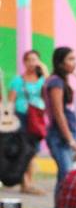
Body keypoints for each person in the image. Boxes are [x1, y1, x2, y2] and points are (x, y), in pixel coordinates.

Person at [43, 46, 76, 195]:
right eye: (70, 59)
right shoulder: (56, 83)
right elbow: (58, 113)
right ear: (60, 63)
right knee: (66, 176)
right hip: (59, 136)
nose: (74, 63)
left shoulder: (58, 81)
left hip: (64, 134)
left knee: (64, 177)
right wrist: (70, 139)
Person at [7, 50, 46, 195]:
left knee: (34, 151)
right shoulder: (18, 80)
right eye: (28, 60)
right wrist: (8, 120)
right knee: (23, 150)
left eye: (34, 59)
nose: (32, 63)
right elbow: (10, 101)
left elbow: (49, 92)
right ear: (24, 62)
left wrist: (44, 72)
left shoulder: (43, 80)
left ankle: (29, 181)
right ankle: (26, 182)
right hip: (21, 117)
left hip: (37, 119)